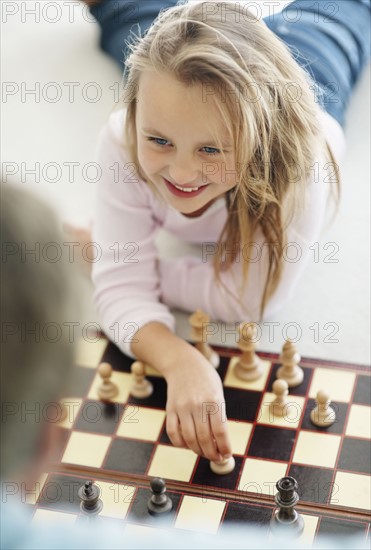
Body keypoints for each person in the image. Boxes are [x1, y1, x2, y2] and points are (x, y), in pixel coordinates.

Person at [81, 0, 371, 463]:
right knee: (146, 36)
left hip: (310, 60)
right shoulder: (124, 134)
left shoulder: (299, 163)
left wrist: (131, 266)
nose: (181, 172)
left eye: (212, 150)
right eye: (158, 141)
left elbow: (252, 299)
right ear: (134, 111)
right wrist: (178, 359)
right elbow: (119, 289)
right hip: (201, 76)